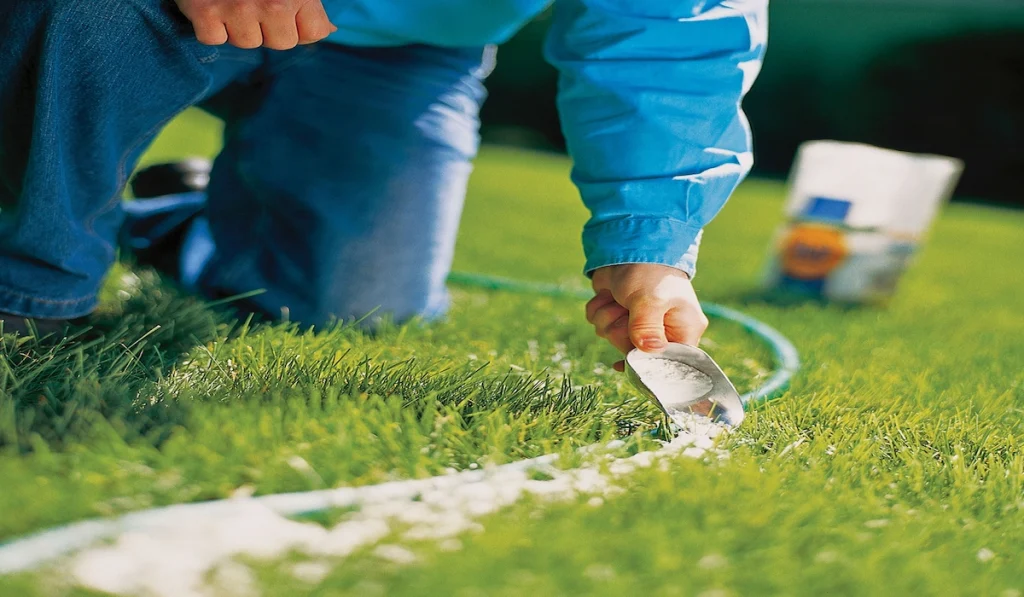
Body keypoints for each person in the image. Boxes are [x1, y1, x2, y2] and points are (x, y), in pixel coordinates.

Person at [0, 0, 766, 362]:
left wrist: (651, 244)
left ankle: (182, 224)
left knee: (358, 309)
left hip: (398, 46)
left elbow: (671, 32)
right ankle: (27, 288)